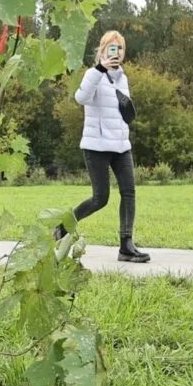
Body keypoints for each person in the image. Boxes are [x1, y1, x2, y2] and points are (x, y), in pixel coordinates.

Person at [69, 30, 150, 262]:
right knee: (100, 198)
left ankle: (126, 246)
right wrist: (100, 70)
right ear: (102, 51)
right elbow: (81, 98)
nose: (116, 52)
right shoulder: (92, 74)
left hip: (121, 145)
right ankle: (64, 227)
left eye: (120, 48)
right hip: (96, 145)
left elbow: (121, 111)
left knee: (129, 192)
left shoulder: (123, 78)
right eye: (111, 48)